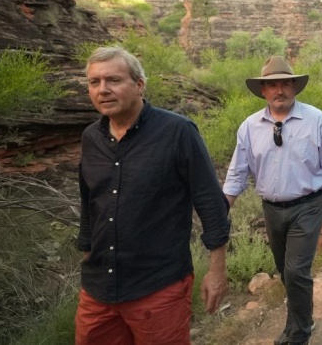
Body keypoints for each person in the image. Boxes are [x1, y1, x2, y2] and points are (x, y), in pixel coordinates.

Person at [76, 46, 230, 344]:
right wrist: (86, 251)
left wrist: (217, 270)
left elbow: (211, 203)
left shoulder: (178, 132)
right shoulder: (90, 138)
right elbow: (88, 202)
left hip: (158, 288)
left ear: (139, 85)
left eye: (113, 80)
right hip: (98, 290)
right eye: (94, 82)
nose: (103, 90)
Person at [223, 56, 322, 345]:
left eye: (285, 83)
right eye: (272, 85)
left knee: (295, 271)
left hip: (308, 206)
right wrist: (221, 209)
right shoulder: (249, 127)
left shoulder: (315, 120)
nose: (279, 90)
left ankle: (298, 333)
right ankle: (304, 318)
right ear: (263, 91)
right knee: (285, 271)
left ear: (294, 87)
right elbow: (237, 174)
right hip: (272, 209)